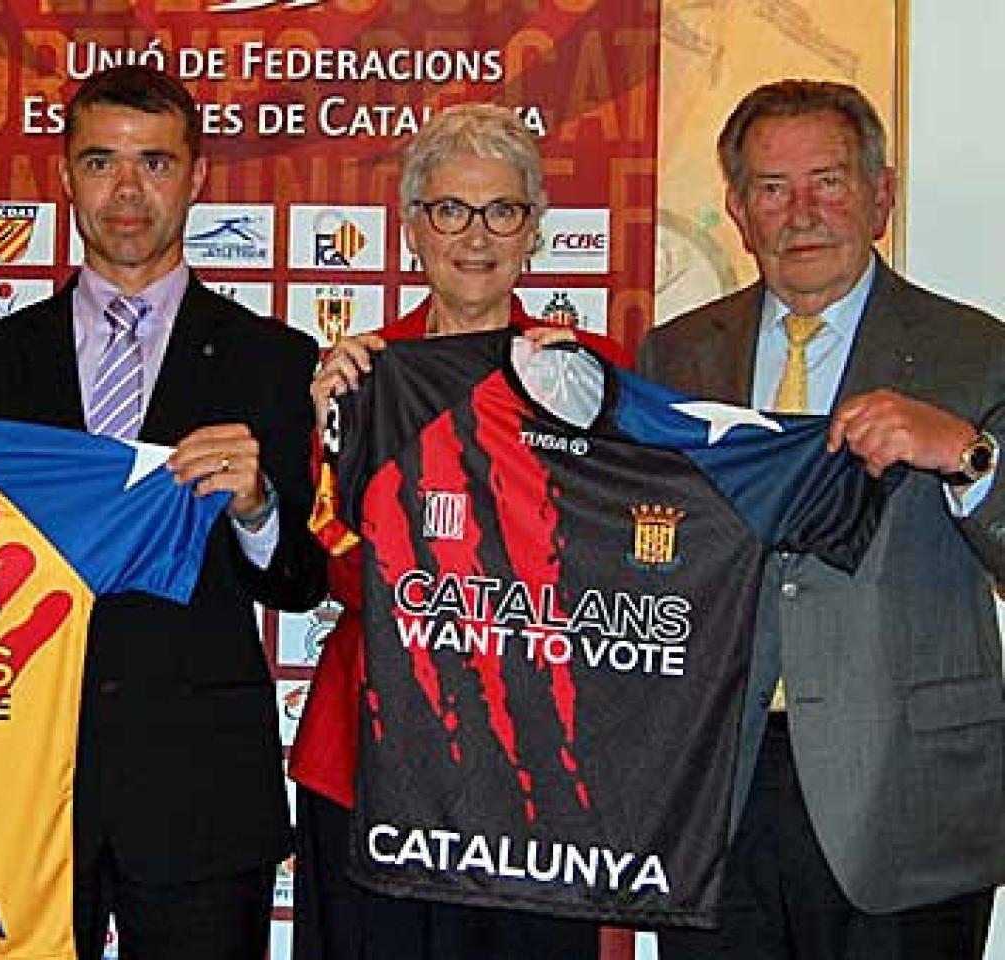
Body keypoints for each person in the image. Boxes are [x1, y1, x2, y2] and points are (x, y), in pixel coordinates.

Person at [0, 64, 328, 959]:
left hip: (199, 797)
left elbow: (298, 581)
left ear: (198, 179)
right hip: (19, 789)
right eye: (100, 163)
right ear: (63, 176)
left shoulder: (271, 359)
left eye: (155, 164)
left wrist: (257, 505)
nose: (127, 191)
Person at [640, 79, 1005, 960]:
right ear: (737, 210)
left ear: (881, 196)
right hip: (715, 794)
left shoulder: (978, 350)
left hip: (907, 799)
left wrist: (968, 456)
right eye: (772, 188)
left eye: (829, 182)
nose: (801, 212)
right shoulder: (677, 352)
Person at [297, 102, 625, 959]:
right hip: (375, 758)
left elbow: (625, 567)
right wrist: (336, 430)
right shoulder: (361, 375)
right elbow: (337, 578)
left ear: (533, 232)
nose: (474, 236)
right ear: (413, 229)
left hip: (535, 771)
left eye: (502, 211)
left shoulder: (587, 381)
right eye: (449, 209)